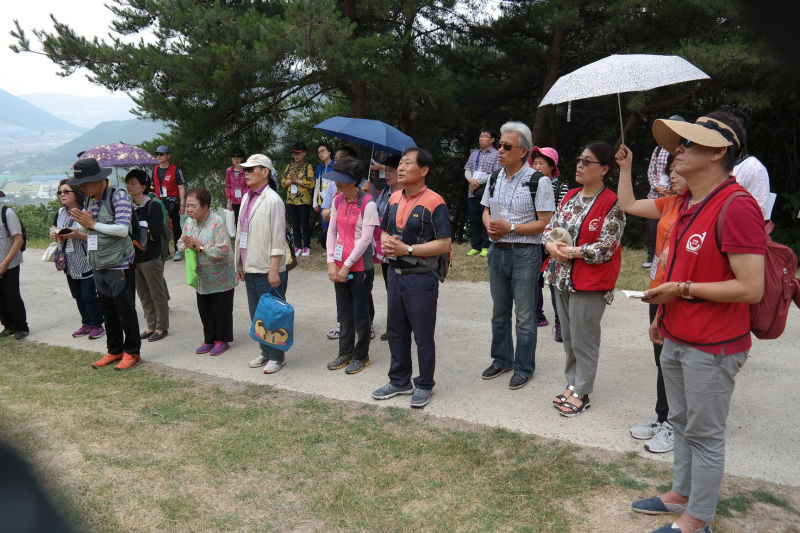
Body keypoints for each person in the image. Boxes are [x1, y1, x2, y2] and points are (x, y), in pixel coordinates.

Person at [632, 112, 765, 533]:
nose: (677, 150)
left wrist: (682, 290)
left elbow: (751, 287)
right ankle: (681, 494)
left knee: (705, 434)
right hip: (675, 334)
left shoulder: (736, 206)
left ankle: (699, 518)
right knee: (680, 422)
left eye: (688, 143)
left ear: (718, 152)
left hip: (713, 345)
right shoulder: (689, 203)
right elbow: (679, 265)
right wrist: (663, 315)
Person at [544, 142, 625, 417]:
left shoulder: (612, 203)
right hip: (561, 278)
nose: (579, 165)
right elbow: (551, 228)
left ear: (604, 169)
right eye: (579, 159)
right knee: (568, 337)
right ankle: (572, 383)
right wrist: (550, 245)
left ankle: (582, 391)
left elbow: (607, 247)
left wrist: (571, 252)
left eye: (587, 161)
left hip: (589, 283)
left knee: (584, 339)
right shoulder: (570, 196)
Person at [372, 148, 452, 409]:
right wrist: (387, 242)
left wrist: (406, 249)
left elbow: (444, 243)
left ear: (424, 170)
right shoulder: (394, 197)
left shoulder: (435, 202)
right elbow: (384, 231)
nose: (401, 168)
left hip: (421, 277)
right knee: (395, 331)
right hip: (394, 274)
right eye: (401, 164)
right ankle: (399, 380)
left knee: (422, 334)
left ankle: (425, 384)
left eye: (408, 163)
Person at [618, 148, 685, 454]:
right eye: (670, 170)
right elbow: (628, 204)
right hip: (657, 289)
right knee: (662, 359)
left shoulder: (700, 208)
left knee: (676, 361)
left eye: (679, 169)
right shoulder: (671, 202)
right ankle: (662, 416)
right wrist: (626, 168)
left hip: (680, 293)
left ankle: (676, 424)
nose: (672, 175)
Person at [480, 122, 555, 390]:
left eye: (506, 146)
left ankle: (524, 367)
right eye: (500, 144)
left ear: (523, 152)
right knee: (499, 313)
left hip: (525, 254)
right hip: (497, 252)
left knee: (524, 317)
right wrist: (490, 226)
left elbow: (545, 223)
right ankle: (502, 360)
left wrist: (510, 228)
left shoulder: (538, 181)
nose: (499, 150)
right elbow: (485, 210)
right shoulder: (494, 178)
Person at [68, 158, 141, 370]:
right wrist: (77, 228)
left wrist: (93, 223)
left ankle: (132, 352)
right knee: (108, 312)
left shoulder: (118, 196)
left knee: (125, 311)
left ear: (98, 180)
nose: (82, 188)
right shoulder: (90, 199)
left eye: (84, 183)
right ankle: (114, 350)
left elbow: (123, 229)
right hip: (98, 264)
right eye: (79, 184)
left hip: (120, 264)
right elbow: (89, 229)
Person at [235, 154, 289, 374]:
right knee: (257, 314)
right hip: (250, 265)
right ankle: (265, 351)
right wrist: (239, 263)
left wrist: (274, 269)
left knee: (272, 314)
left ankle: (277, 356)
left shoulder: (273, 200)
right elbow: (241, 232)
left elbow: (278, 238)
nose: (247, 173)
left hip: (268, 268)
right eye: (245, 170)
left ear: (265, 172)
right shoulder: (247, 197)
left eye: (252, 169)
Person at [325, 158, 380, 374]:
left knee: (360, 314)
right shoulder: (338, 200)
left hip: (360, 268)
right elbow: (332, 232)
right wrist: (331, 262)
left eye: (341, 180)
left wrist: (347, 265)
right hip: (338, 266)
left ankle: (361, 356)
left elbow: (365, 240)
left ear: (354, 181)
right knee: (344, 313)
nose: (337, 183)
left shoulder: (368, 204)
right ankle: (345, 353)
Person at [178, 188, 236, 356]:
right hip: (201, 275)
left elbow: (223, 250)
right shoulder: (189, 223)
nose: (189, 209)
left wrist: (200, 247)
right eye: (187, 205)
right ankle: (209, 339)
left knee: (221, 309)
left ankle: (222, 340)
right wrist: (186, 245)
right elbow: (180, 244)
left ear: (205, 206)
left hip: (221, 275)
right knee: (205, 309)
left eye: (193, 206)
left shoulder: (217, 222)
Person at [50, 180, 104, 340]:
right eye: (60, 192)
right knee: (77, 295)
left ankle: (97, 325)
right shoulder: (61, 212)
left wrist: (77, 235)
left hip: (86, 260)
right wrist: (53, 234)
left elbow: (96, 237)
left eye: (66, 192)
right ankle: (86, 323)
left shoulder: (85, 211)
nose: (62, 195)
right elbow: (54, 228)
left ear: (76, 193)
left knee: (88, 295)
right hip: (69, 261)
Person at [125, 170, 170, 343]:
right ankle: (151, 325)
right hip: (134, 257)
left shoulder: (153, 206)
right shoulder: (127, 207)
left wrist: (138, 232)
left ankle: (162, 326)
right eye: (128, 183)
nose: (129, 186)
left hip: (151, 257)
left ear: (143, 186)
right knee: (143, 294)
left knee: (157, 293)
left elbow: (154, 234)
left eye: (133, 183)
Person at [529, 146, 568, 340]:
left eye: (541, 163)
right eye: (534, 163)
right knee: (534, 278)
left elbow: (562, 213)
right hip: (533, 237)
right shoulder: (528, 184)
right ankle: (537, 314)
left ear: (552, 166)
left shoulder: (561, 187)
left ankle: (560, 323)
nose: (536, 167)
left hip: (552, 239)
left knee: (553, 280)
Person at [322, 145, 360, 341]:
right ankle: (342, 327)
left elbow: (367, 233)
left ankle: (364, 325)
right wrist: (331, 261)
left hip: (358, 258)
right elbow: (326, 218)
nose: (337, 163)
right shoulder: (335, 190)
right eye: (336, 159)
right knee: (341, 294)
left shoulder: (364, 195)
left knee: (360, 294)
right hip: (338, 251)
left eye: (342, 159)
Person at [643, 115, 683, 268]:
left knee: (672, 227)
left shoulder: (684, 150)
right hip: (656, 194)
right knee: (654, 227)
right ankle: (651, 257)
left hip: (676, 196)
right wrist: (657, 187)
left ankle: (671, 256)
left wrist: (673, 189)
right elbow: (650, 171)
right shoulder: (659, 149)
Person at [374, 154, 402, 341]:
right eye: (386, 171)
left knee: (401, 289)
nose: (387, 175)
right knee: (390, 287)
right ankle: (394, 326)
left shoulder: (406, 194)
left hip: (401, 248)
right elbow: (376, 214)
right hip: (385, 248)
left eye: (391, 171)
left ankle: (403, 325)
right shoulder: (384, 192)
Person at [464, 128, 501, 257]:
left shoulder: (497, 154)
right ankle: (475, 246)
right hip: (473, 191)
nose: (482, 139)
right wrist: (470, 180)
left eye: (485, 136)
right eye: (481, 136)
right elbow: (467, 169)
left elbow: (496, 173)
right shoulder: (474, 153)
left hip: (490, 192)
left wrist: (478, 182)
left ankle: (487, 246)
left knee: (490, 218)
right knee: (474, 219)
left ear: (492, 140)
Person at [0, 191, 29, 340]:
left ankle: (21, 327)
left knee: (12, 295)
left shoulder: (7, 213)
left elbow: (19, 240)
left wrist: (4, 263)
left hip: (10, 262)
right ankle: (8, 325)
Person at [152, 145, 186, 261]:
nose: (159, 156)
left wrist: (182, 204)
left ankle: (177, 250)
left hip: (172, 202)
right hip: (158, 202)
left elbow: (181, 187)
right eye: (157, 154)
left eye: (161, 154)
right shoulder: (155, 169)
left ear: (168, 156)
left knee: (175, 227)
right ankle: (164, 252)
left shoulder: (176, 170)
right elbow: (153, 186)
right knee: (160, 226)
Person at [281, 142, 315, 257]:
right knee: (295, 224)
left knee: (304, 224)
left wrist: (296, 180)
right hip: (291, 200)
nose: (296, 155)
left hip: (304, 200)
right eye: (294, 153)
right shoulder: (289, 166)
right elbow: (283, 182)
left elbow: (311, 183)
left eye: (298, 153)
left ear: (304, 153)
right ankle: (298, 246)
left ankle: (306, 246)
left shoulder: (308, 167)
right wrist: (292, 180)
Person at [313, 142, 336, 248]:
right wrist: (314, 201)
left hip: (334, 198)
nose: (321, 154)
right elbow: (317, 185)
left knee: (334, 223)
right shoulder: (320, 168)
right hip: (322, 200)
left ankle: (335, 246)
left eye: (323, 151)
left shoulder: (335, 165)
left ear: (329, 152)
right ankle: (328, 247)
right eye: (319, 152)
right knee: (324, 223)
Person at [225, 147, 247, 222]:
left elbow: (249, 186)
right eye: (233, 156)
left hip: (245, 200)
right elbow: (228, 186)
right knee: (236, 221)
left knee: (245, 220)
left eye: (238, 156)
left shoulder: (246, 170)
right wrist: (229, 202)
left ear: (242, 158)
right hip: (234, 201)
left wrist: (244, 196)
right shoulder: (228, 170)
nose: (236, 159)